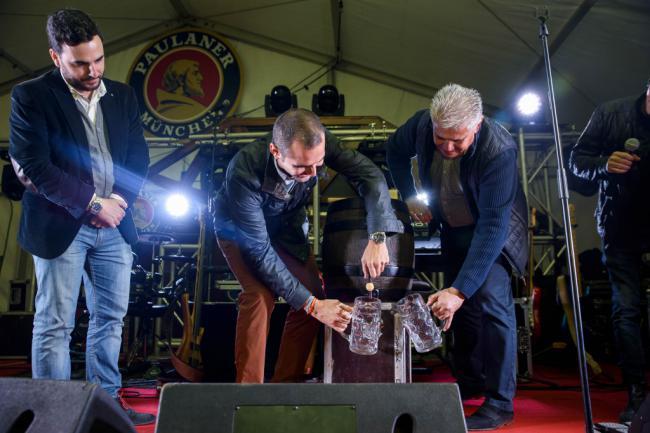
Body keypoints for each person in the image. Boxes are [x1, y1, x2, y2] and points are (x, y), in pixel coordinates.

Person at [9, 9, 153, 425]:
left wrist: (119, 204)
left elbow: (137, 159)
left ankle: (104, 406)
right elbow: (34, 167)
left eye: (99, 59)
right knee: (54, 323)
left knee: (111, 319)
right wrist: (94, 205)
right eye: (80, 63)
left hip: (115, 226)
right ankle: (52, 414)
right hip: (60, 226)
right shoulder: (30, 97)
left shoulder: (123, 96)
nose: (93, 70)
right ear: (56, 57)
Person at [212, 108, 404, 383]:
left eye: (319, 163)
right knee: (259, 296)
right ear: (275, 152)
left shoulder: (319, 141)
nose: (313, 173)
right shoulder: (244, 170)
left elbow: (371, 175)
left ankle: (285, 385)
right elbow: (259, 250)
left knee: (313, 293)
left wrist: (377, 236)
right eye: (302, 166)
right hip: (240, 230)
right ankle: (248, 393)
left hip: (287, 226)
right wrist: (313, 306)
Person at [386, 84, 528, 430]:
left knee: (494, 308)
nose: (447, 148)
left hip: (494, 233)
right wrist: (411, 197)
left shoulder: (500, 150)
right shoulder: (422, 125)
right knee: (461, 315)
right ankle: (469, 382)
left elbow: (494, 225)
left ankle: (499, 403)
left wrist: (460, 290)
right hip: (452, 226)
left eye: (458, 141)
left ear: (476, 126)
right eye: (441, 139)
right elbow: (393, 150)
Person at [569, 80, 650, 423]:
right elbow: (576, 162)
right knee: (627, 308)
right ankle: (636, 392)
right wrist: (604, 164)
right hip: (621, 228)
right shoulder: (611, 113)